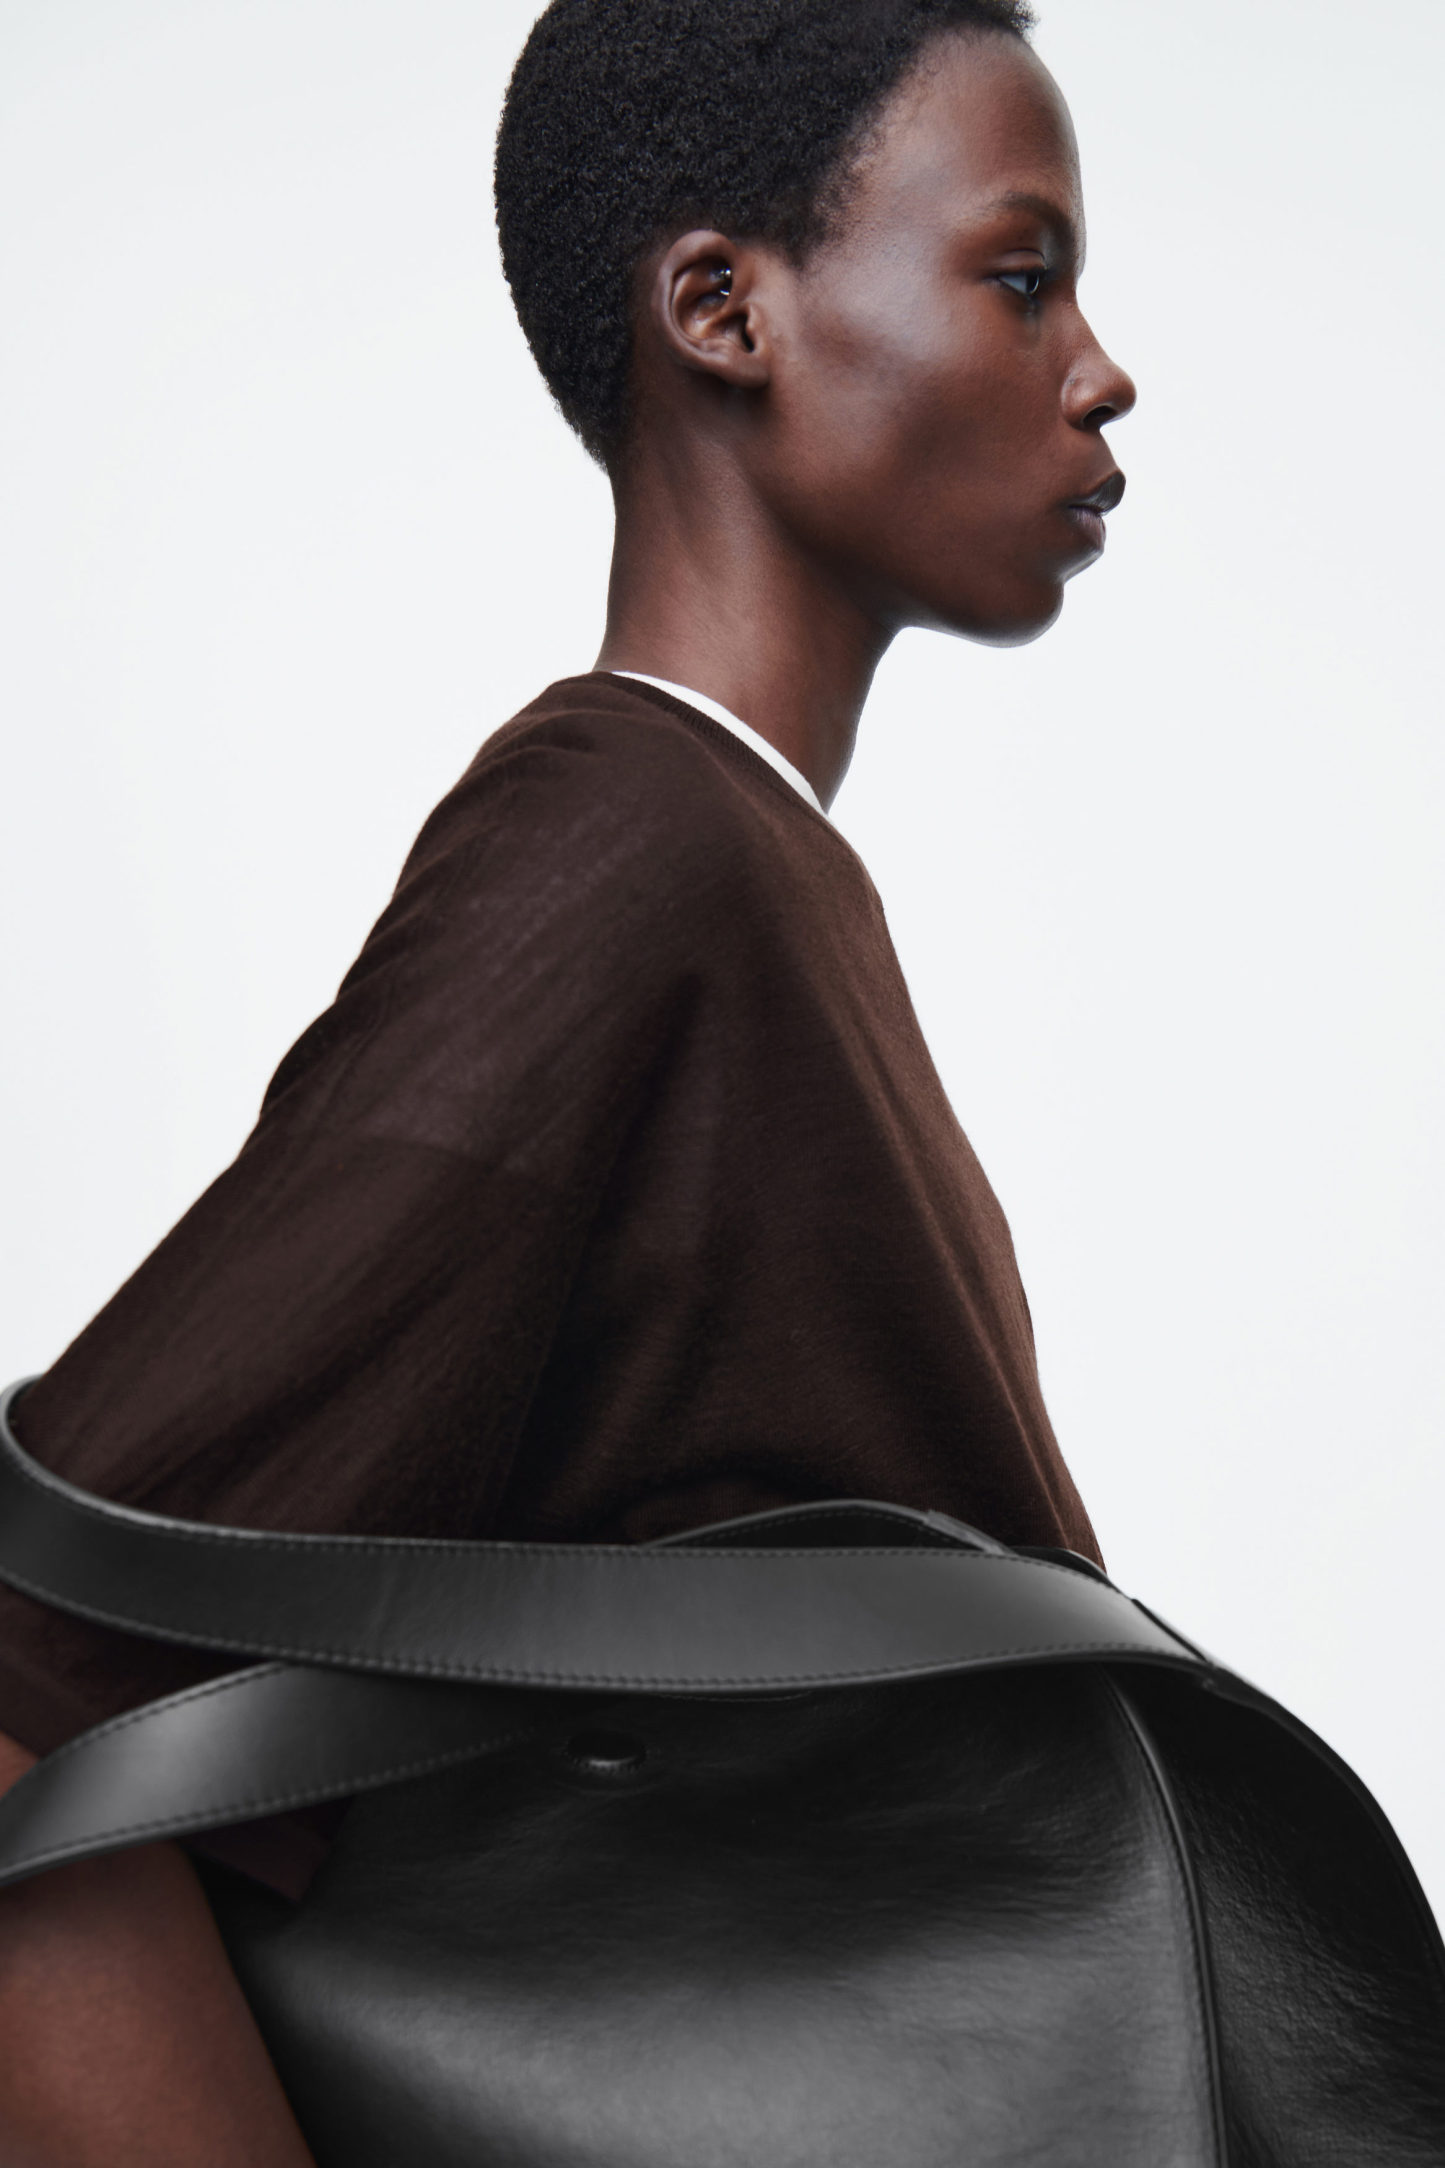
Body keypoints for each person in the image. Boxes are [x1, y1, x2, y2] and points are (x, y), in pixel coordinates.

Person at [0, 0, 1135, 2158]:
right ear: (722, 310)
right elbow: (34, 1671)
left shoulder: (746, 876)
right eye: (1021, 275)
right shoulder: (632, 847)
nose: (1100, 370)